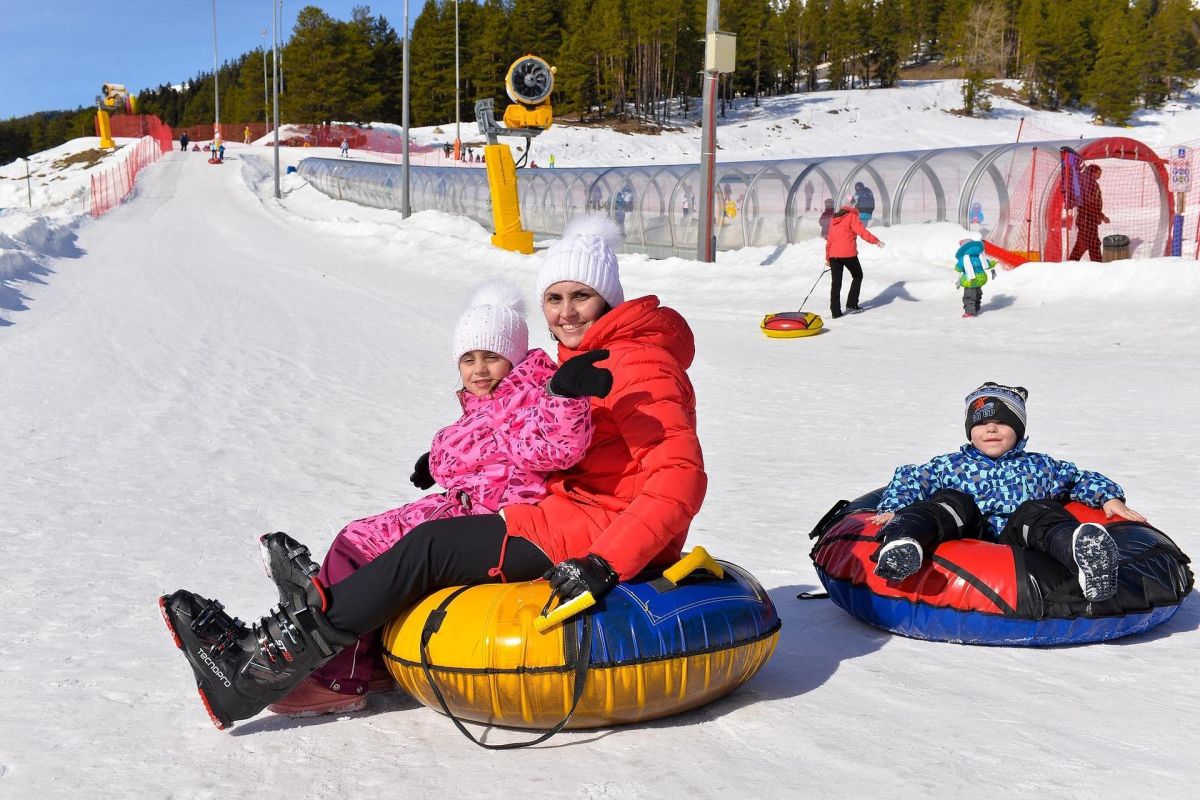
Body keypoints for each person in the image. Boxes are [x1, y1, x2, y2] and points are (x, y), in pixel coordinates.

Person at [160, 214, 707, 730]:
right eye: (554, 299)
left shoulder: (639, 363)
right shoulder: (595, 356)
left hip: (597, 533)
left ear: (607, 297)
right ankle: (313, 651)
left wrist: (606, 563)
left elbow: (678, 476)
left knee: (430, 547)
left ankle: (261, 669)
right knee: (416, 539)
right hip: (565, 516)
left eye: (580, 297)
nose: (565, 313)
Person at [268, 281, 594, 716]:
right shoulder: (498, 400)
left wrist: (564, 401)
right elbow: (480, 443)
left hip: (501, 519)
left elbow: (554, 446)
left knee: (365, 544)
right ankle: (363, 652)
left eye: (492, 358)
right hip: (470, 504)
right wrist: (437, 459)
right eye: (468, 359)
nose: (479, 370)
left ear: (514, 360)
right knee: (358, 538)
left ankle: (337, 676)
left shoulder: (532, 398)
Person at [868, 383, 1145, 603]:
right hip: (965, 531)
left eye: (1002, 422)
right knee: (951, 503)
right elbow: (911, 480)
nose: (990, 428)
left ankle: (1083, 554)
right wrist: (894, 507)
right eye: (980, 424)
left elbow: (1078, 479)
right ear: (969, 432)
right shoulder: (949, 465)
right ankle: (903, 542)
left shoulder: (1041, 465)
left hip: (1020, 536)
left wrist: (1108, 496)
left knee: (1038, 512)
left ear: (1018, 428)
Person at [825, 202, 883, 318]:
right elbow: (862, 232)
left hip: (834, 255)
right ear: (854, 208)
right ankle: (852, 304)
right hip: (848, 254)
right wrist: (875, 240)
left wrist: (828, 257)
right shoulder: (852, 216)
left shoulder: (835, 218)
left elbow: (830, 239)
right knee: (858, 275)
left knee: (836, 284)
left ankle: (835, 312)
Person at [1068, 164, 1108, 262]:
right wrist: (1101, 216)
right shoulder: (1089, 184)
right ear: (1093, 172)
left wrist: (1100, 216)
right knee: (1091, 243)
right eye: (1099, 173)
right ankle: (1097, 264)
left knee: (1087, 243)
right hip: (1087, 219)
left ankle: (1072, 263)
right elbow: (1089, 203)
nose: (1100, 176)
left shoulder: (1088, 182)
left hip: (1088, 219)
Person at [954, 238, 996, 318]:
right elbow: (988, 264)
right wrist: (993, 263)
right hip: (980, 279)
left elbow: (958, 268)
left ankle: (970, 312)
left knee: (969, 296)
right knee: (977, 294)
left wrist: (957, 266)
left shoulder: (963, 258)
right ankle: (976, 308)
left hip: (970, 280)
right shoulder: (980, 256)